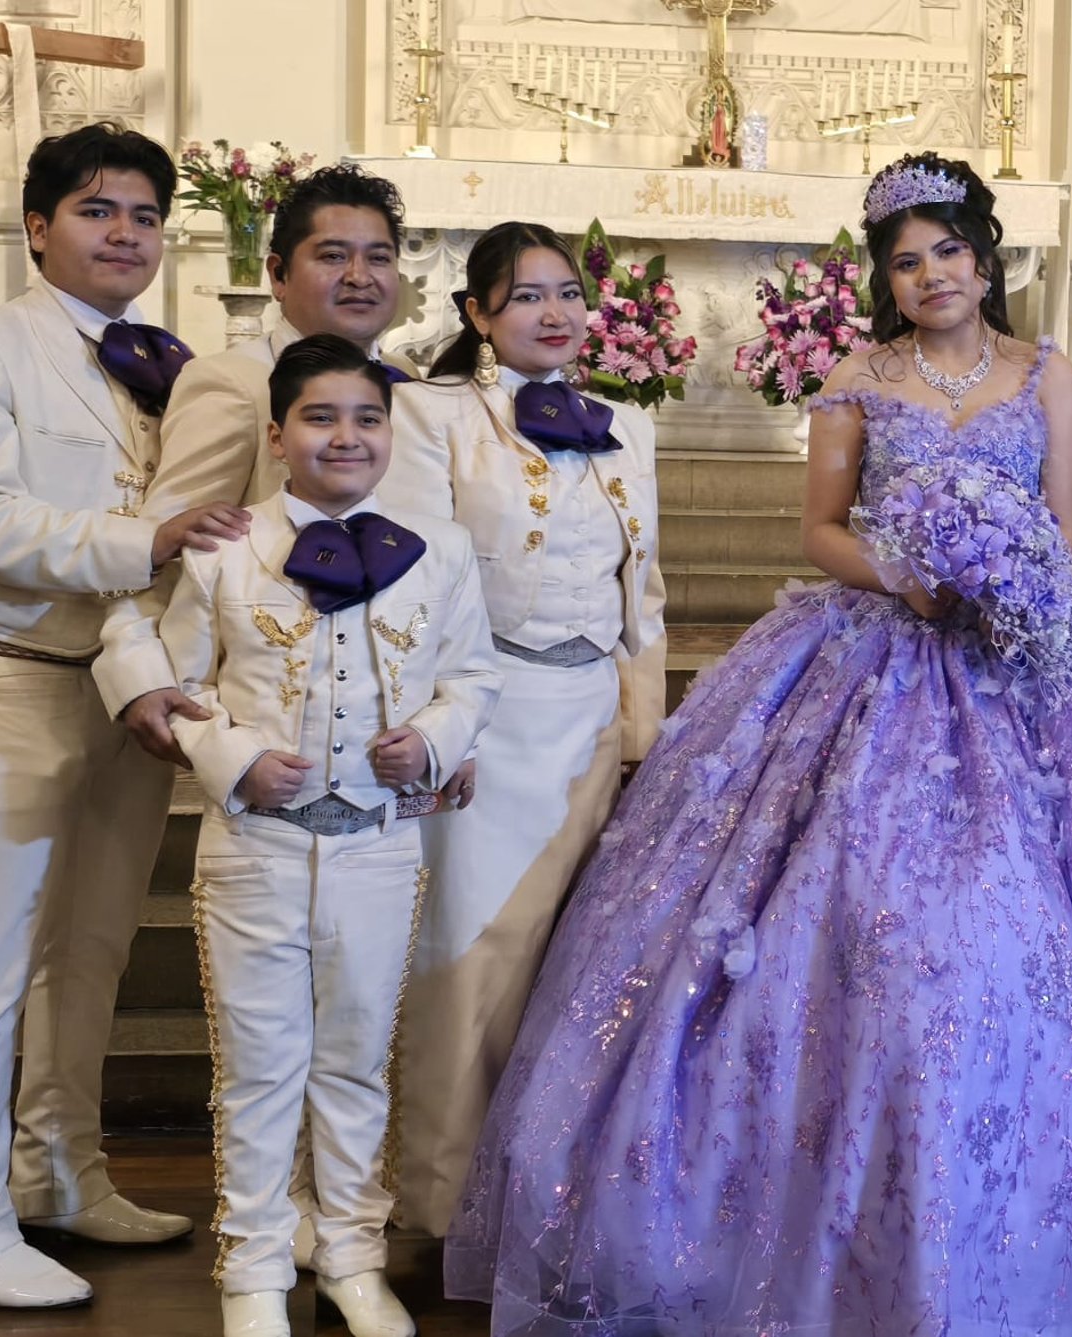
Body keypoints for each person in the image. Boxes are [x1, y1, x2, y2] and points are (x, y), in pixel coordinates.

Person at [445, 153, 1072, 1335]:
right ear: (886, 278)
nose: (930, 276)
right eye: (906, 262)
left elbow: (1064, 541)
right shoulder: (855, 378)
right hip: (879, 650)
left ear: (985, 259)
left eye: (948, 254)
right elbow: (820, 530)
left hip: (1040, 661)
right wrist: (911, 576)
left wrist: (1017, 595)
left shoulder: (1049, 375)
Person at [0, 122, 245, 1307]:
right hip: (12, 677)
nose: (125, 234)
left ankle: (60, 1172)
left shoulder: (172, 360)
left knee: (90, 952)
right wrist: (134, 539)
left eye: (145, 215)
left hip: (128, 690)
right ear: (38, 224)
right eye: (99, 210)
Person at [158, 335, 501, 1337]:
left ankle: (352, 1253)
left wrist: (432, 743)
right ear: (276, 434)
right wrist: (230, 758)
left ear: (391, 433)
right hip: (254, 847)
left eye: (367, 417)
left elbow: (474, 677)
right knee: (261, 1063)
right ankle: (253, 1269)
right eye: (319, 416)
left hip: (379, 844)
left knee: (355, 1056)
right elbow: (175, 683)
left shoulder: (440, 547)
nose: (346, 436)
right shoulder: (227, 548)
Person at [380, 221, 666, 1237]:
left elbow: (646, 596)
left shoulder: (629, 424)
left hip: (587, 722)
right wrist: (435, 727)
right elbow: (414, 577)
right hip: (487, 718)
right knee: (468, 957)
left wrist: (642, 734)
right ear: (477, 313)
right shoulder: (431, 413)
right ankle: (438, 1200)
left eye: (566, 293)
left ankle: (536, 1195)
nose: (553, 312)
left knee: (569, 959)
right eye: (525, 295)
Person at [98, 161, 413, 762]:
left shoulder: (413, 385)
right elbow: (167, 541)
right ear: (277, 273)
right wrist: (140, 673)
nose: (360, 277)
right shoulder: (235, 383)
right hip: (278, 712)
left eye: (378, 257)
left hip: (393, 715)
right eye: (332, 256)